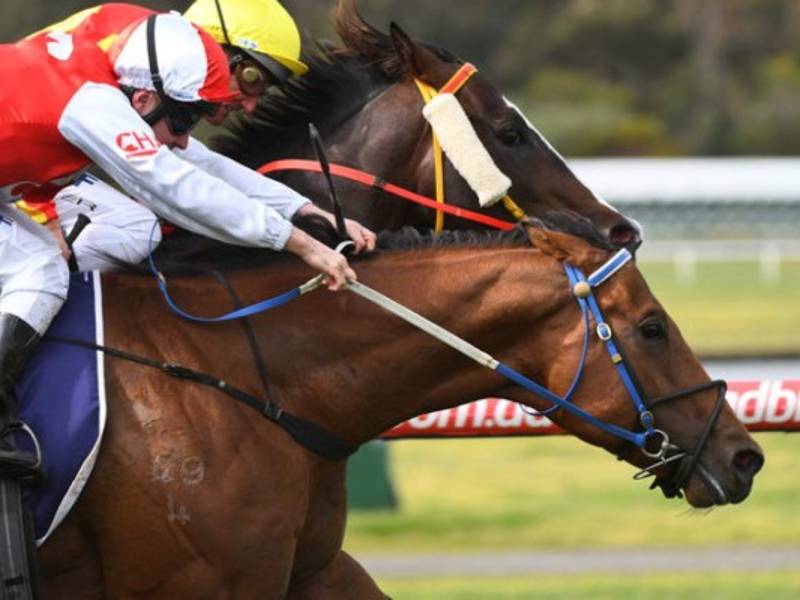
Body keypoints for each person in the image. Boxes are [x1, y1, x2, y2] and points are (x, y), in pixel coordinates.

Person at [0, 12, 365, 591]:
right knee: (41, 270)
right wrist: (295, 243)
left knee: (122, 233)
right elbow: (169, 185)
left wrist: (294, 208)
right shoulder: (91, 103)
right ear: (145, 96)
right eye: (186, 118)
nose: (186, 132)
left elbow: (186, 159)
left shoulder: (120, 78)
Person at [17, 0, 375, 273]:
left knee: (138, 231)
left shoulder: (146, 51)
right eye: (252, 80)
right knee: (55, 264)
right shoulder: (117, 66)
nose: (250, 106)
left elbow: (196, 162)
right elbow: (172, 180)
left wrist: (308, 212)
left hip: (30, 174)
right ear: (215, 46)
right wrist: (301, 243)